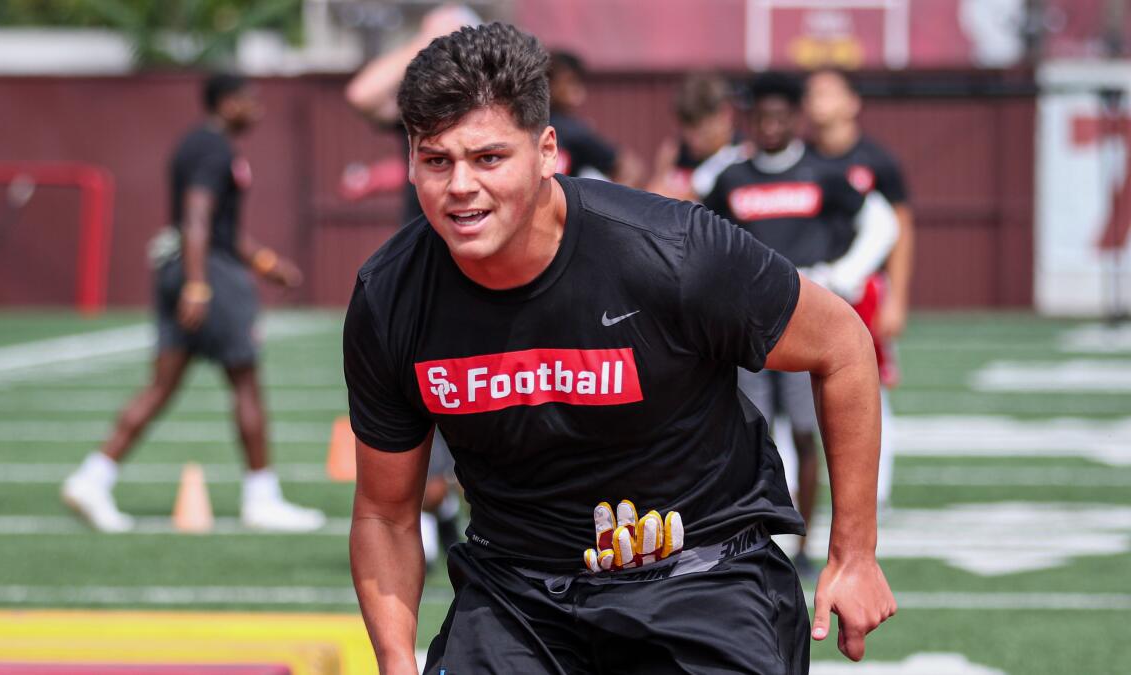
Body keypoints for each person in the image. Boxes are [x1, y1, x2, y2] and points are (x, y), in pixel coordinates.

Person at [345, 23, 894, 674]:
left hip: (701, 577)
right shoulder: (390, 298)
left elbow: (843, 344)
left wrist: (853, 554)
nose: (460, 185)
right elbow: (384, 512)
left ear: (547, 151)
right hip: (516, 593)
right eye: (436, 160)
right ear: (411, 160)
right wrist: (395, 663)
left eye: (488, 158)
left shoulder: (671, 253)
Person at [61, 73, 325, 533]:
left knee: (160, 386)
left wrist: (263, 262)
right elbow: (197, 216)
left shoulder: (201, 144)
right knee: (245, 381)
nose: (256, 109)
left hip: (183, 267)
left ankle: (92, 477)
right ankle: (262, 498)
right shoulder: (212, 148)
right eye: (248, 101)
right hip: (207, 274)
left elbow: (217, 225)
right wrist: (200, 284)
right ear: (225, 103)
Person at [703, 72, 898, 578]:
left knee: (808, 435)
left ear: (796, 118)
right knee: (748, 435)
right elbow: (702, 240)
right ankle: (753, 536)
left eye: (780, 115)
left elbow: (883, 222)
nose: (770, 125)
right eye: (761, 116)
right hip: (746, 331)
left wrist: (844, 276)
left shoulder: (824, 172)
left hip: (805, 329)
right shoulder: (731, 178)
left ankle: (809, 542)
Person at [344, 5, 480, 557]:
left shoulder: (506, 103)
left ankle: (458, 512)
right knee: (423, 405)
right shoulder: (425, 109)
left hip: (501, 277)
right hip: (432, 277)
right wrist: (428, 43)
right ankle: (433, 508)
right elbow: (362, 95)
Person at [805, 68, 916, 511]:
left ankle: (877, 491)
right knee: (799, 391)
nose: (818, 101)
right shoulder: (802, 158)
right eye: (812, 93)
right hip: (813, 283)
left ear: (853, 102)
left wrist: (898, 298)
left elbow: (900, 227)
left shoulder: (877, 161)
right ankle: (801, 486)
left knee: (869, 386)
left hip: (861, 288)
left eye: (828, 92)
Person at [345, 4, 481, 224]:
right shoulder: (424, 104)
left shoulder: (496, 105)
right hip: (427, 235)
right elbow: (362, 94)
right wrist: (427, 43)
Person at [548, 50, 644, 185]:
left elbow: (629, 167)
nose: (573, 88)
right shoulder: (531, 124)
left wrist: (614, 202)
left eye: (574, 82)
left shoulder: (572, 131)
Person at [646, 72, 744, 202]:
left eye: (701, 131)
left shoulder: (743, 158)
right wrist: (661, 172)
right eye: (687, 131)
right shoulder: (676, 155)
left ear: (725, 114)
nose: (693, 141)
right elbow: (650, 204)